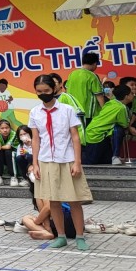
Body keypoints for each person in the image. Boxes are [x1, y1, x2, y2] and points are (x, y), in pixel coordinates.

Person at [29, 74, 91, 251]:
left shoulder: (67, 110)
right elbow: (35, 139)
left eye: (46, 91)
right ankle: (61, 236)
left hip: (67, 159)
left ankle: (80, 237)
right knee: (53, 201)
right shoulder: (34, 112)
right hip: (46, 160)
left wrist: (77, 162)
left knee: (74, 200)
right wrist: (35, 163)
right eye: (39, 91)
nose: (43, 94)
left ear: (54, 89)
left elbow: (75, 137)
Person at [83, 84, 132, 164]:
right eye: (131, 94)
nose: (133, 95)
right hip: (98, 136)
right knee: (90, 162)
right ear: (126, 96)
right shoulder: (121, 107)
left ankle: (113, 157)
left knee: (105, 161)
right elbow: (124, 124)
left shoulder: (110, 103)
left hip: (91, 131)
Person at [63, 52, 105, 124]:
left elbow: (67, 90)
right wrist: (105, 111)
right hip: (88, 113)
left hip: (74, 111)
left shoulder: (72, 74)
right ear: (95, 63)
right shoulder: (92, 76)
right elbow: (99, 96)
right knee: (88, 134)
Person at [0, 119, 16, 186]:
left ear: (10, 128)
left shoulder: (13, 133)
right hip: (4, 158)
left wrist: (0, 147)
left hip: (15, 158)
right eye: (2, 128)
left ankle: (13, 176)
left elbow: (8, 147)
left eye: (7, 128)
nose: (5, 130)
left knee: (7, 151)